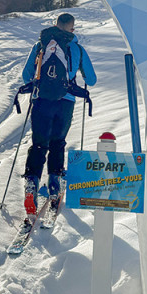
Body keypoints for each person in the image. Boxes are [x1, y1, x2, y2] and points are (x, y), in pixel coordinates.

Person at [21, 13, 96, 218]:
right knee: (57, 142)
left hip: (41, 101)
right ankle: (54, 184)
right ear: (72, 29)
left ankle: (31, 184)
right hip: (66, 103)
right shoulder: (77, 48)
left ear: (55, 25)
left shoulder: (41, 45)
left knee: (38, 144)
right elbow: (92, 78)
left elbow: (26, 75)